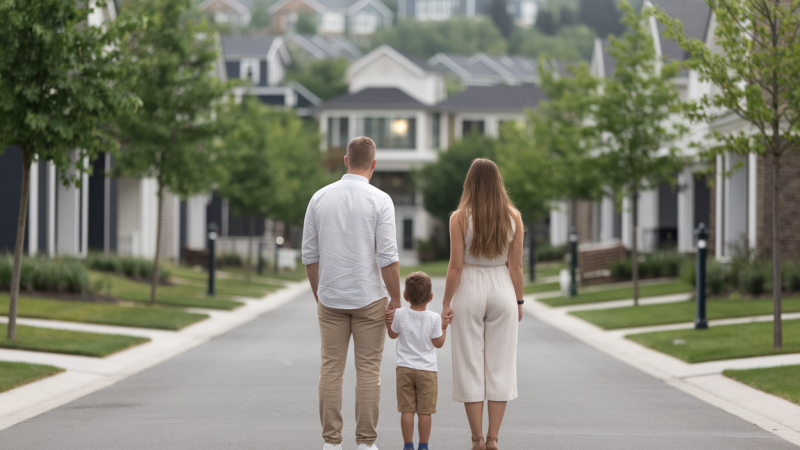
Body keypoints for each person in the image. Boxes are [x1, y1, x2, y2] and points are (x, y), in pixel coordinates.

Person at [302, 136, 402, 450]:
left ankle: (332, 443)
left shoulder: (319, 198)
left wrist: (321, 295)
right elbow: (387, 257)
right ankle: (366, 443)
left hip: (331, 298)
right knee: (369, 372)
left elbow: (310, 255)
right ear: (373, 164)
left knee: (330, 370)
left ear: (346, 161)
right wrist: (396, 301)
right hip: (370, 298)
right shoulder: (381, 200)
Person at [440, 159, 525, 450]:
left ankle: (476, 439)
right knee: (501, 365)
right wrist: (519, 301)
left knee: (470, 365)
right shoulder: (513, 216)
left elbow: (455, 267)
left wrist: (445, 303)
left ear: (470, 183)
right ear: (498, 182)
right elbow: (516, 267)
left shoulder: (459, 218)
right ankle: (493, 439)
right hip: (502, 287)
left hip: (470, 290)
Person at [386, 272, 449, 450]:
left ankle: (407, 446)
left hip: (404, 368)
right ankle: (423, 446)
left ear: (405, 296)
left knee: (407, 410)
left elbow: (392, 334)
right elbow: (439, 343)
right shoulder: (434, 318)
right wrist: (444, 328)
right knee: (424, 411)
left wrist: (387, 321)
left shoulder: (399, 314)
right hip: (427, 370)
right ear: (430, 297)